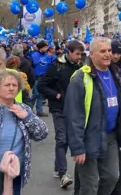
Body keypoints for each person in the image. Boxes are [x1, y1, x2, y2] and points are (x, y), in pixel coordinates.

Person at [65, 37, 121, 195]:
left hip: (110, 136)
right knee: (90, 184)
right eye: (102, 51)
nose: (108, 54)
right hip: (89, 137)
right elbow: (73, 115)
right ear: (92, 55)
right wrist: (77, 148)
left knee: (112, 177)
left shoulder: (115, 73)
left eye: (109, 51)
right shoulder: (80, 78)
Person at [38, 40, 84, 188]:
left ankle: (58, 168)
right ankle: (64, 174)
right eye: (77, 54)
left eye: (81, 54)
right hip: (59, 108)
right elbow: (42, 86)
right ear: (69, 52)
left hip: (75, 109)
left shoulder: (82, 68)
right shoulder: (56, 66)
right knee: (62, 139)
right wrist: (57, 95)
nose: (79, 57)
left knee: (70, 141)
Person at [29, 41, 55, 117]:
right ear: (41, 47)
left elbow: (50, 66)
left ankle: (39, 111)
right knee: (36, 94)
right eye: (45, 47)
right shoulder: (34, 55)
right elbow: (31, 66)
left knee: (41, 94)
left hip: (44, 77)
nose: (46, 48)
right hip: (36, 77)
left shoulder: (48, 56)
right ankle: (29, 109)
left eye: (47, 47)